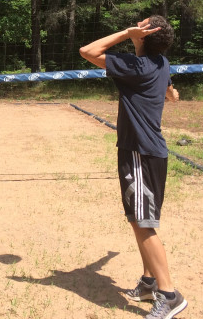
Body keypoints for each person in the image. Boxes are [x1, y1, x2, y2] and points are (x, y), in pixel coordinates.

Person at [79, 16, 186, 319]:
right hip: (149, 153)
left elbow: (88, 50)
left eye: (142, 24)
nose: (136, 23)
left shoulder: (136, 66)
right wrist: (169, 92)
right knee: (140, 221)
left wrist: (127, 33)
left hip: (140, 152)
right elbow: (166, 84)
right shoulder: (160, 62)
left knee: (143, 222)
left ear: (144, 35)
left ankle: (169, 295)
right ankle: (150, 282)